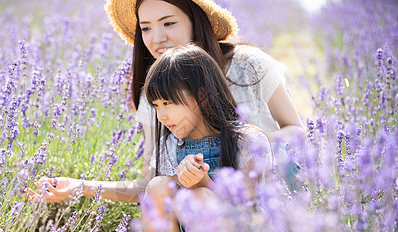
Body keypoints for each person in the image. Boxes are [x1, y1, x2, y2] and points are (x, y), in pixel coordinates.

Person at [25, 0, 303, 204]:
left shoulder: (247, 64)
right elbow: (150, 182)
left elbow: (297, 132)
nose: (156, 39)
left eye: (169, 23)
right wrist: (80, 186)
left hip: (271, 201)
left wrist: (244, 144)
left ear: (196, 21)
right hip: (201, 218)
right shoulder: (158, 98)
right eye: (145, 28)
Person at [140, 44, 274, 232]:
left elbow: (248, 207)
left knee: (201, 196)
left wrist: (203, 183)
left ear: (201, 95)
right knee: (156, 186)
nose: (161, 115)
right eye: (156, 106)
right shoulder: (169, 145)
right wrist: (180, 181)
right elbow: (164, 204)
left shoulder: (247, 140)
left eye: (167, 103)